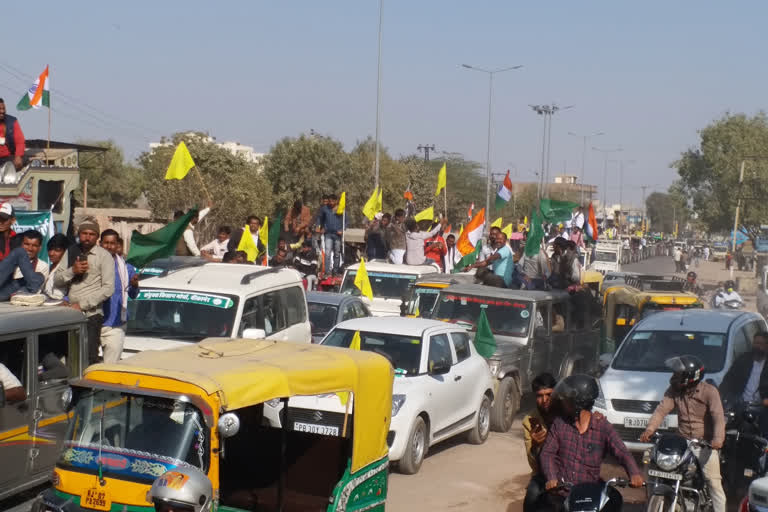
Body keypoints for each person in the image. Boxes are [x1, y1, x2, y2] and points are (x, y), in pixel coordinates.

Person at [540, 374, 643, 510]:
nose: (563, 402)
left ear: (577, 402)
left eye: (567, 400)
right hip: (563, 494)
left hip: (590, 494)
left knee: (616, 500)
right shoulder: (560, 424)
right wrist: (551, 478)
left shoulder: (603, 427)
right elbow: (547, 453)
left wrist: (634, 473)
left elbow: (621, 452)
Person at [640, 355, 726, 512]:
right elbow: (661, 410)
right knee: (652, 463)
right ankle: (653, 498)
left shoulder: (710, 392)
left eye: (677, 375)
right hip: (682, 442)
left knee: (714, 483)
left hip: (704, 444)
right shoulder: (673, 391)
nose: (673, 377)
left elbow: (718, 417)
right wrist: (650, 429)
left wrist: (717, 440)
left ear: (690, 377)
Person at [54, 219, 115, 365]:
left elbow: (108, 289)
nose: (87, 237)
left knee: (88, 356)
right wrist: (72, 271)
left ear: (97, 237)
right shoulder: (71, 252)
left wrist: (82, 305)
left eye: (92, 234)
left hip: (91, 315)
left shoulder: (104, 256)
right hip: (69, 313)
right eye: (84, 233)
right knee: (70, 356)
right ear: (79, 234)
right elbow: (57, 280)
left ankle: (88, 388)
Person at [99, 229, 139, 364]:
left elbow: (133, 295)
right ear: (100, 244)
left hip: (115, 325)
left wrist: (134, 285)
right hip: (93, 323)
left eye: (112, 243)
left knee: (109, 368)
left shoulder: (126, 268)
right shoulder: (91, 264)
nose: (109, 246)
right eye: (106, 243)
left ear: (117, 245)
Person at [522, 373, 558, 512]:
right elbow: (534, 466)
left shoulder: (567, 412)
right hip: (544, 474)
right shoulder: (529, 421)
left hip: (569, 469)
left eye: (548, 394)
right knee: (531, 497)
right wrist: (536, 446)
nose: (544, 400)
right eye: (539, 396)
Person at [720, 331, 768, 433]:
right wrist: (720, 397)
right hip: (741, 403)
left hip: (763, 407)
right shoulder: (743, 359)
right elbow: (728, 380)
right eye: (755, 343)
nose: (757, 347)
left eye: (760, 344)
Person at [0, 230, 49, 301]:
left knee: (40, 277)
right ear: (21, 244)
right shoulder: (15, 257)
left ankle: (21, 295)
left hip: (8, 293)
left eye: (34, 246)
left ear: (40, 248)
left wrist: (19, 293)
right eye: (26, 244)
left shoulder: (42, 266)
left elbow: (36, 288)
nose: (30, 249)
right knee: (20, 252)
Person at [318, 194, 345, 276]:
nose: (331, 203)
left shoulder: (340, 209)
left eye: (333, 201)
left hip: (337, 235)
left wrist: (342, 230)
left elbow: (346, 221)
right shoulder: (325, 209)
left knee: (337, 253)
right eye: (330, 201)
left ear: (336, 201)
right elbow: (320, 218)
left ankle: (335, 271)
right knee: (327, 252)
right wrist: (320, 227)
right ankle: (327, 272)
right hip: (328, 234)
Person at [42, 233, 72, 300]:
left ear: (65, 251)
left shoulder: (68, 269)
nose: (51, 253)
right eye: (50, 249)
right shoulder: (47, 267)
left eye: (57, 250)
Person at [0, 99, 25, 171]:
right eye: (0, 109)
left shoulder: (12, 121)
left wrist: (18, 156)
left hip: (7, 157)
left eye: (3, 109)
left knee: (26, 162)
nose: (2, 111)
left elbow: (20, 141)